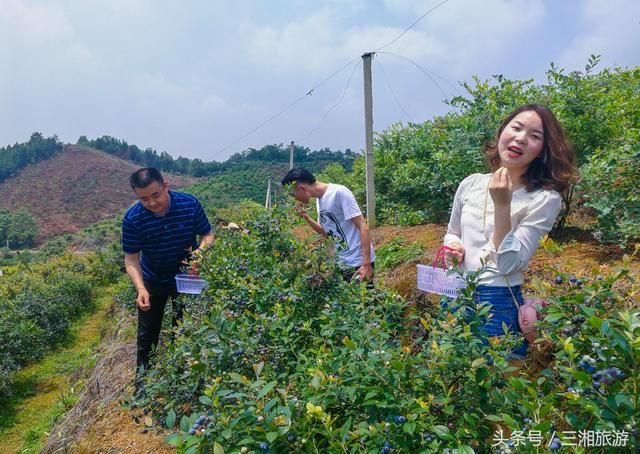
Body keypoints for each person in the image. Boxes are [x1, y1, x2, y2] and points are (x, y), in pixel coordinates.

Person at [443, 104, 577, 359]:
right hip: (454, 292)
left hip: (498, 300)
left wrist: (502, 205)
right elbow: (452, 233)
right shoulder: (471, 183)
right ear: (502, 131)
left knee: (498, 389)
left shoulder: (543, 199)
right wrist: (452, 247)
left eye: (535, 136)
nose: (521, 138)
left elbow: (508, 264)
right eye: (516, 128)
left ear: (542, 151)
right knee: (450, 383)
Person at [122, 168, 213, 394]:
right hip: (153, 279)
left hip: (188, 277)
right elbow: (131, 259)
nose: (152, 203)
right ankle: (142, 388)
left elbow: (208, 235)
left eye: (155, 195)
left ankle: (183, 380)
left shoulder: (189, 204)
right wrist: (141, 288)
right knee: (147, 335)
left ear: (165, 185)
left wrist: (200, 253)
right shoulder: (133, 218)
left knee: (184, 329)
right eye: (144, 199)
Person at [281, 167, 375, 283]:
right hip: (341, 263)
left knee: (365, 299)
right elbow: (327, 233)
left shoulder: (339, 193)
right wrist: (307, 218)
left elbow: (362, 226)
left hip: (358, 263)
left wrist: (366, 263)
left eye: (293, 193)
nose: (294, 198)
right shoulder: (319, 200)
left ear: (302, 188)